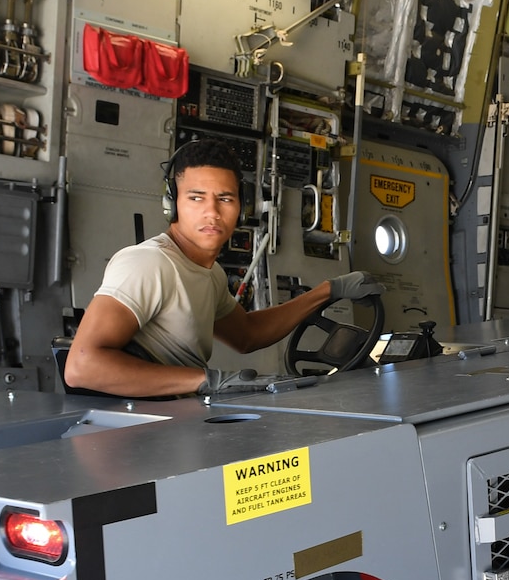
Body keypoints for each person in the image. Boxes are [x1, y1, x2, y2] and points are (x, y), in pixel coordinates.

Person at [66, 137, 383, 397]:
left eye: (225, 199)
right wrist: (206, 381)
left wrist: (330, 290)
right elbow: (82, 367)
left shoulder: (210, 274)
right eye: (196, 198)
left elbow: (247, 334)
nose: (212, 212)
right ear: (171, 203)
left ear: (241, 209)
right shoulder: (149, 264)